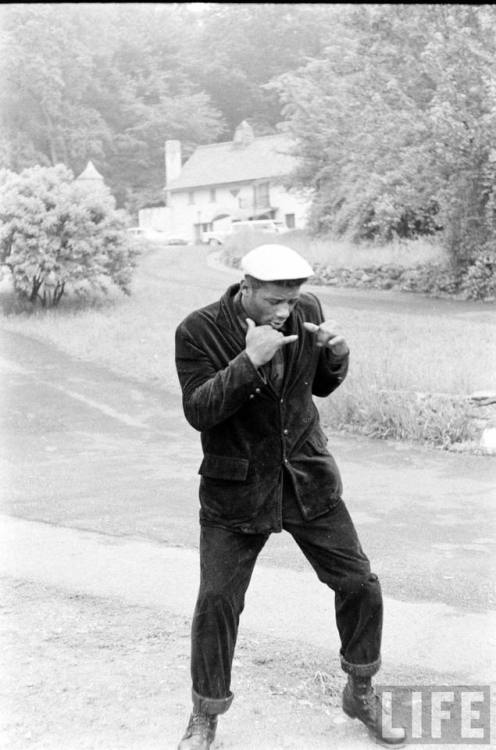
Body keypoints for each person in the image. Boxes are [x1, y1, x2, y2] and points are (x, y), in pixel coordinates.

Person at [174, 244, 405, 749]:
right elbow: (199, 411)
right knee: (217, 602)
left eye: (292, 299)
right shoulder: (197, 330)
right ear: (246, 287)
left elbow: (318, 387)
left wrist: (337, 359)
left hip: (306, 477)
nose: (286, 311)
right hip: (235, 490)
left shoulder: (309, 310)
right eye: (275, 300)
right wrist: (247, 361)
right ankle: (205, 715)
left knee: (360, 582)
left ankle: (360, 688)